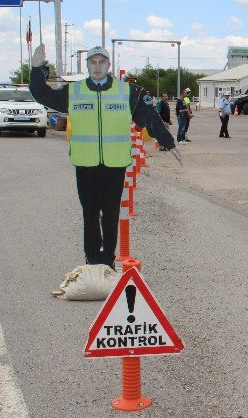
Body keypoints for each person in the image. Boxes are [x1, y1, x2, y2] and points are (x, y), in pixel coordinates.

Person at [29, 43, 175, 268]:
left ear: (109, 65)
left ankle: (107, 261)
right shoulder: (74, 91)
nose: (97, 66)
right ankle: (92, 261)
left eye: (101, 62)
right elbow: (42, 94)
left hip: (115, 165)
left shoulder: (127, 92)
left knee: (110, 215)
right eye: (92, 62)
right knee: (89, 214)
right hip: (85, 164)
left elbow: (150, 116)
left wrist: (168, 141)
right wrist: (37, 68)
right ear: (87, 65)